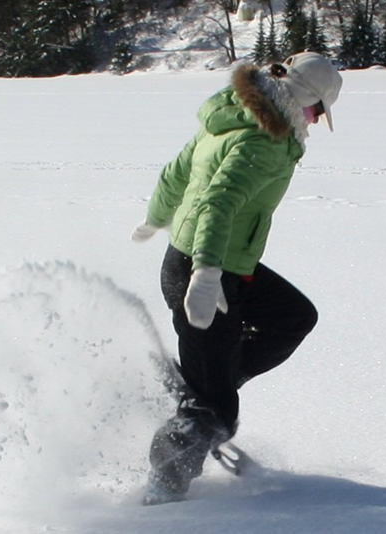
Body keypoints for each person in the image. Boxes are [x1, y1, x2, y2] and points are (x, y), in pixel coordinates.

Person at [129, 51, 342, 504]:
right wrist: (206, 273)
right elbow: (218, 204)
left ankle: (208, 378)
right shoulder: (262, 141)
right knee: (215, 412)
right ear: (302, 98)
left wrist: (156, 218)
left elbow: (177, 172)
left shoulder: (234, 113)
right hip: (205, 274)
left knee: (292, 316)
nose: (313, 122)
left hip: (219, 264)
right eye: (316, 111)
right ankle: (161, 494)